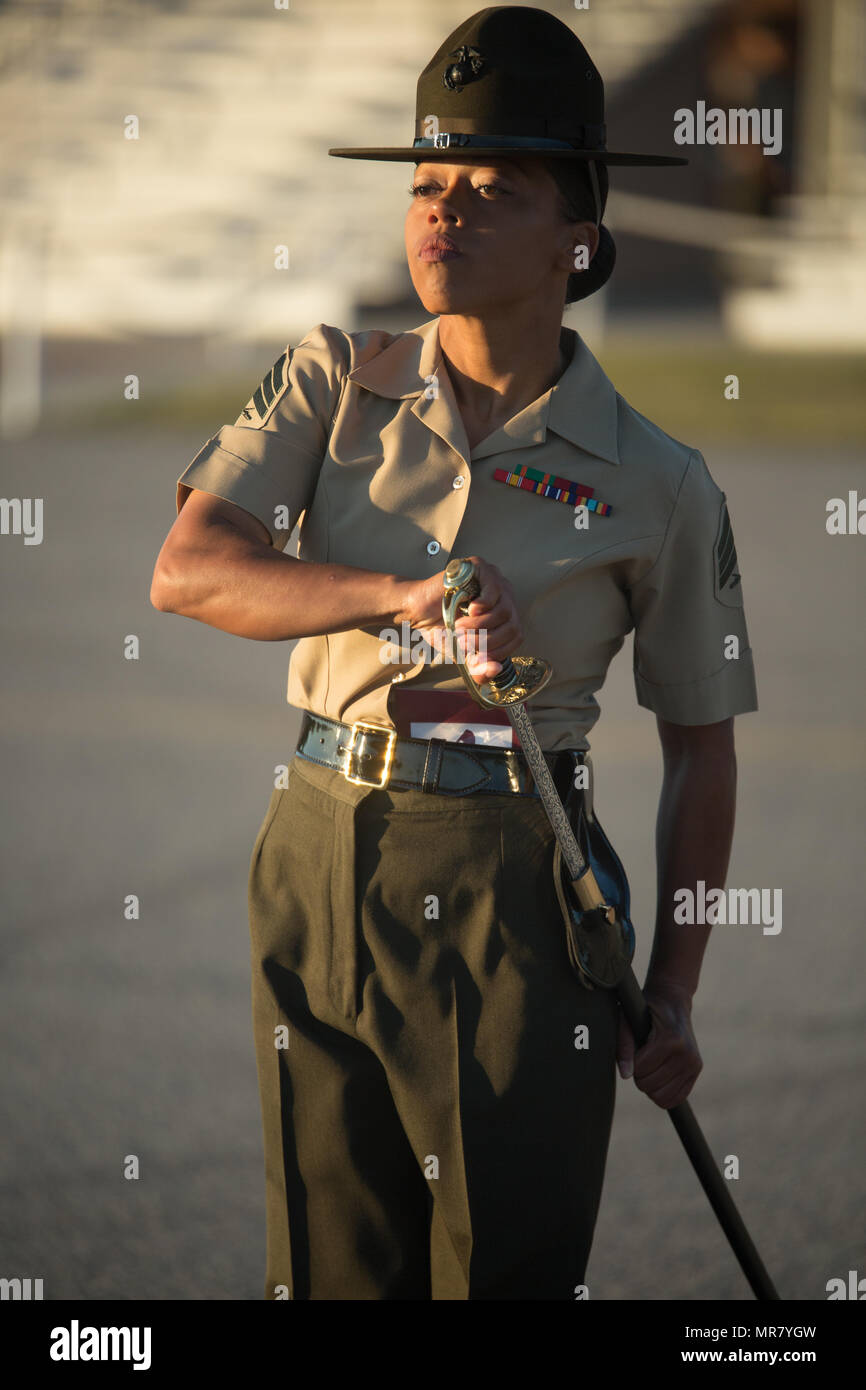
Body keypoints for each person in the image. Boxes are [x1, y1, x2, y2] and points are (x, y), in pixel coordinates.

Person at [150, 6, 758, 1301]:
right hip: (316, 839)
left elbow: (701, 749)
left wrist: (677, 990)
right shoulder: (330, 376)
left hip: (516, 879)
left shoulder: (660, 481)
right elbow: (190, 570)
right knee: (327, 1263)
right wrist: (401, 596)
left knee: (499, 1263)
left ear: (577, 237)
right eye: (428, 185)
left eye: (495, 190)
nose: (443, 213)